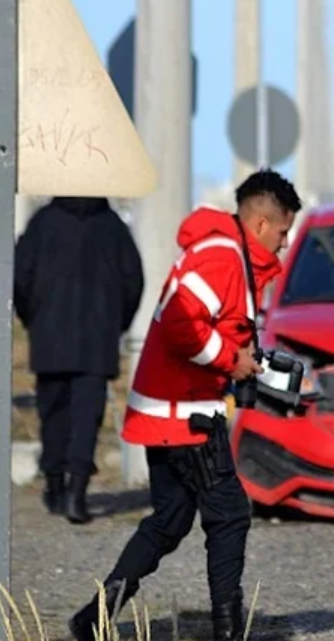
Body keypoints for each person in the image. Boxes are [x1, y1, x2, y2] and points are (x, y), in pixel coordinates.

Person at [67, 170, 301, 641]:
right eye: (283, 231)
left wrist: (240, 360)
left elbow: (198, 326)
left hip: (166, 412)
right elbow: (179, 324)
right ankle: (227, 631)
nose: (285, 242)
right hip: (183, 414)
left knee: (169, 522)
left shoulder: (224, 255)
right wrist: (226, 358)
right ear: (259, 223)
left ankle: (92, 619)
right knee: (230, 514)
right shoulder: (222, 257)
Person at [13, 196, 144, 524]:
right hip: (96, 343)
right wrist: (117, 324)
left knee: (53, 414)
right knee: (86, 418)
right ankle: (77, 495)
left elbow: (20, 278)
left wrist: (34, 320)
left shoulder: (43, 222)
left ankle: (55, 488)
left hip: (50, 337)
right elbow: (134, 282)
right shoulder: (113, 226)